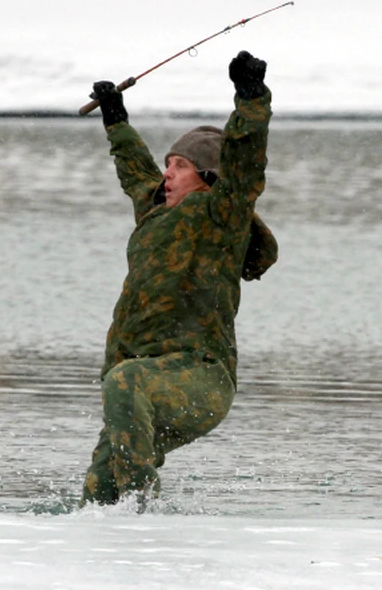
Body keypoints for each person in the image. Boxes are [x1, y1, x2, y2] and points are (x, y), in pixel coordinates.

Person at [80, 50, 278, 507]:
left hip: (200, 380)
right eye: (168, 164)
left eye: (180, 166)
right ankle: (110, 550)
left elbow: (246, 163)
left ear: (208, 177)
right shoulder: (154, 213)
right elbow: (134, 171)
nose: (166, 174)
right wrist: (116, 119)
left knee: (124, 381)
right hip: (147, 386)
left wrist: (250, 97)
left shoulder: (221, 216)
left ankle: (144, 515)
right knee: (97, 490)